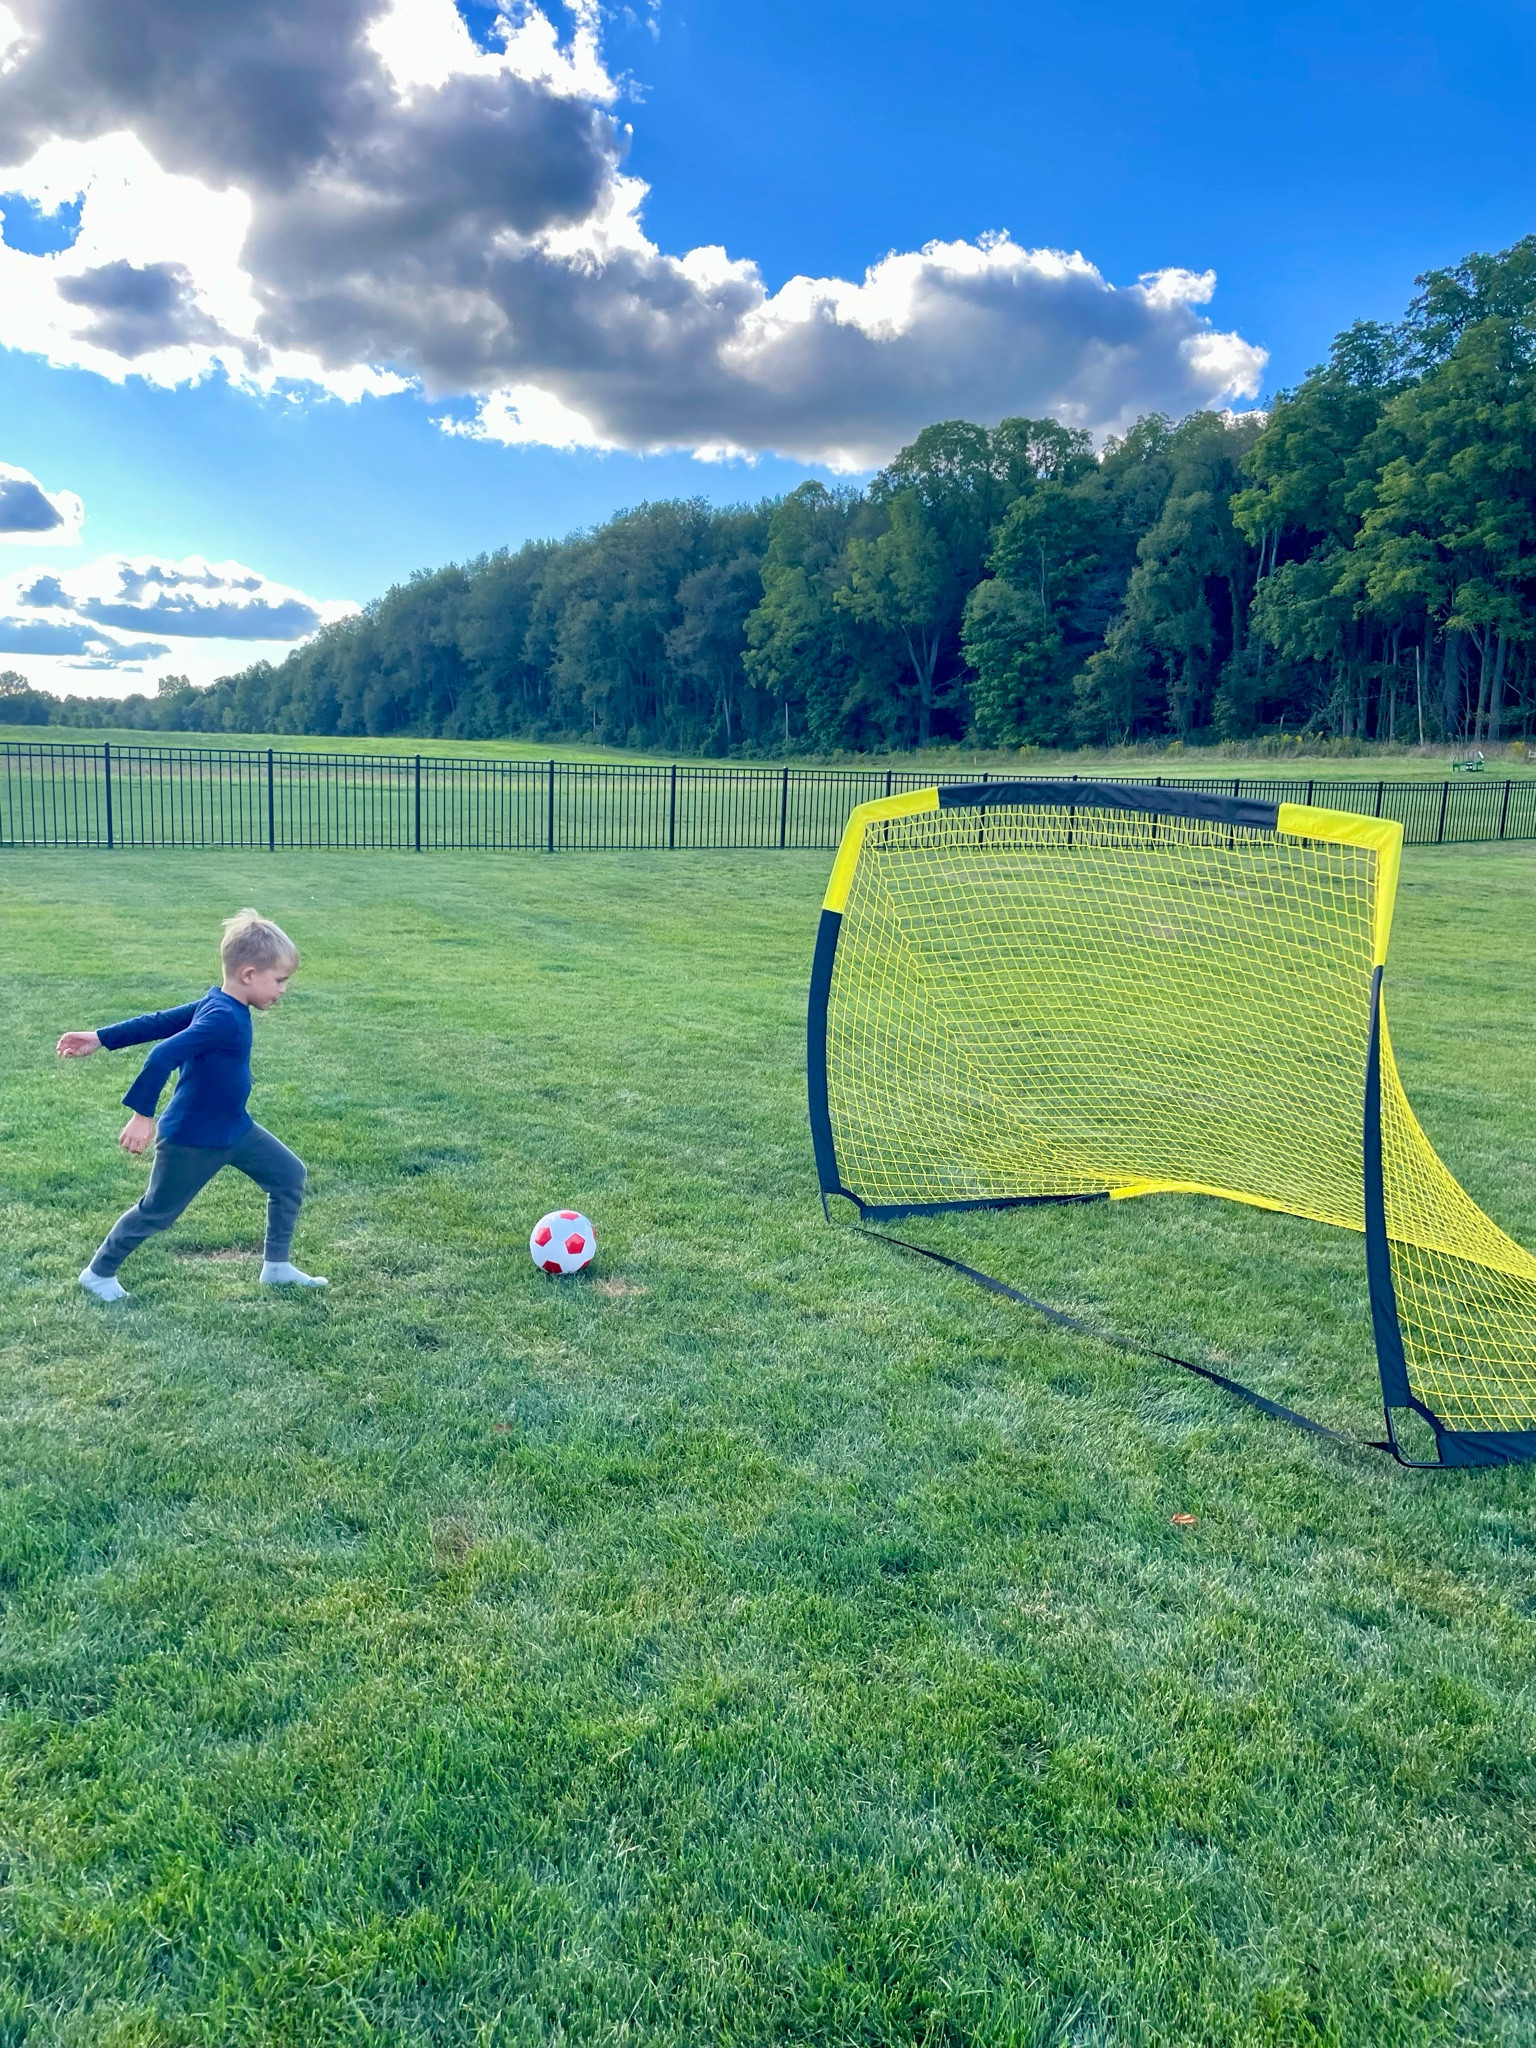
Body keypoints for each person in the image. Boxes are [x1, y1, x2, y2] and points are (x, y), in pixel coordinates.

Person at [58, 909, 327, 1302]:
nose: (283, 989)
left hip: (235, 1129)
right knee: (156, 1212)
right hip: (193, 1139)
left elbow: (159, 1021)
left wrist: (100, 1037)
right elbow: (162, 1053)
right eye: (279, 980)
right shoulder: (222, 1017)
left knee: (289, 1176)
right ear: (248, 974)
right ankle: (97, 1274)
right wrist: (142, 1115)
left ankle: (277, 1268)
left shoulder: (221, 1004)